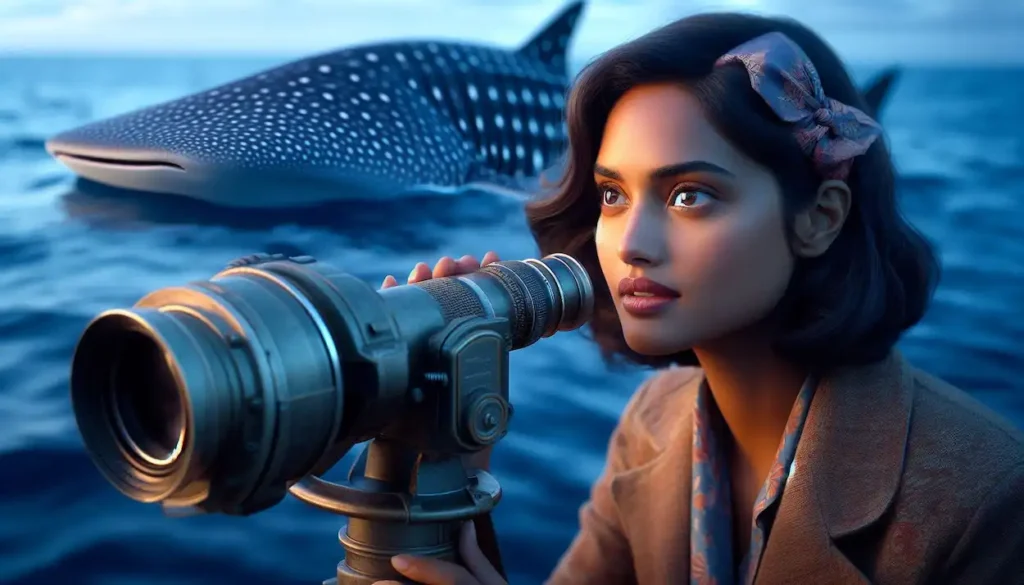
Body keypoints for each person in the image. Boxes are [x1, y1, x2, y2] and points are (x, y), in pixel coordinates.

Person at [373, 12, 1024, 585]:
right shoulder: (654, 421)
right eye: (612, 195)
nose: (631, 243)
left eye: (689, 195)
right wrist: (451, 456)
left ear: (820, 217)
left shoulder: (987, 497)